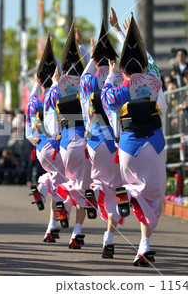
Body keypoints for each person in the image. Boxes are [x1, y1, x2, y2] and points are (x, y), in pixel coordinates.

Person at [101, 14, 167, 267]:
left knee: (133, 188)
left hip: (129, 145)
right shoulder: (154, 83)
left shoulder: (120, 89)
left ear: (124, 67)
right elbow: (148, 61)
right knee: (153, 196)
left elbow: (106, 100)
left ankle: (125, 196)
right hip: (155, 143)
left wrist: (113, 74)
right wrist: (126, 34)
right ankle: (144, 244)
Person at [78, 15, 124, 258]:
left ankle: (94, 193)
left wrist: (87, 51)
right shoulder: (118, 76)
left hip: (92, 139)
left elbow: (87, 70)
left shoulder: (87, 79)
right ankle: (108, 239)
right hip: (115, 140)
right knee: (117, 188)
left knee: (98, 181)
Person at [44, 21, 93, 249]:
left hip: (63, 143)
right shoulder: (86, 84)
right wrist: (85, 50)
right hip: (83, 141)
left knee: (68, 182)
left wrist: (54, 82)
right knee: (82, 188)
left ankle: (61, 203)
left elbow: (51, 126)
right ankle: (77, 232)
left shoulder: (56, 89)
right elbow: (94, 71)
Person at [25, 34, 71, 243]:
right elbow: (58, 80)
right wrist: (55, 58)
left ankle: (50, 227)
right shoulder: (57, 95)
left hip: (41, 149)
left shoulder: (33, 102)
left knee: (53, 182)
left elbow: (29, 133)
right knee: (63, 186)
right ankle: (56, 207)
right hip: (58, 147)